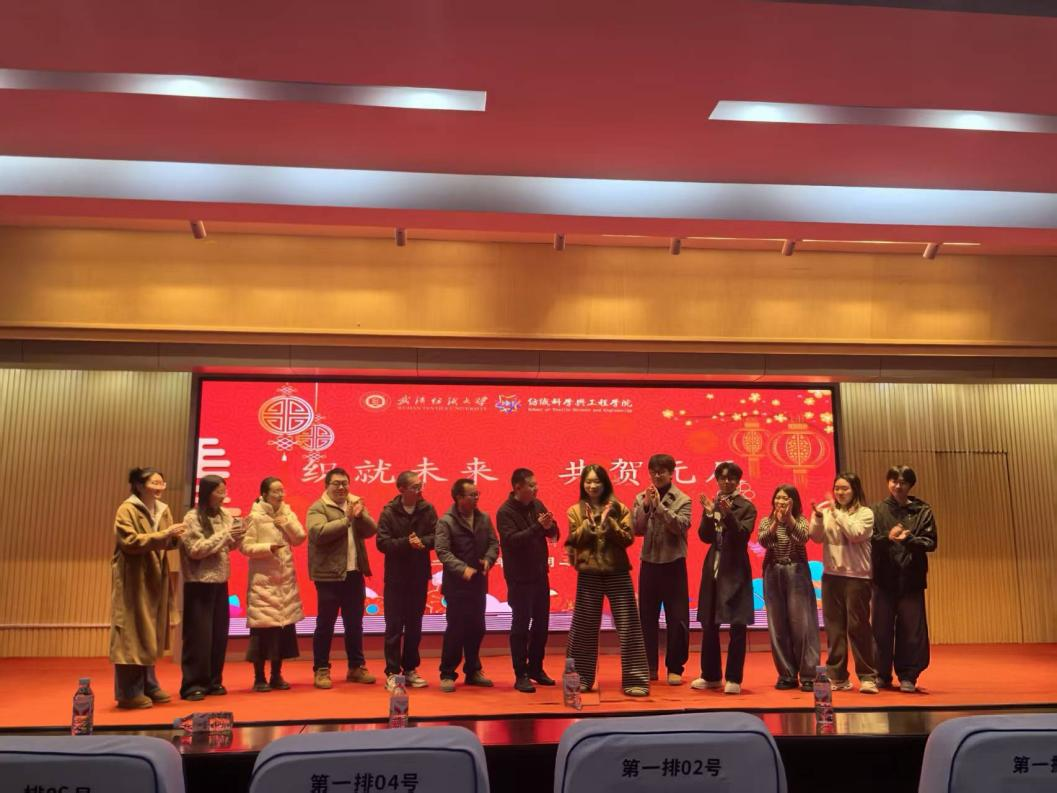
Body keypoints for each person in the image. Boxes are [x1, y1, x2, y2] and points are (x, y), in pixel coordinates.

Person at [565, 464, 650, 697]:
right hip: (589, 573)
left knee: (629, 626)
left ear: (605, 484)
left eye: (597, 481)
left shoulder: (619, 508)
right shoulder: (574, 510)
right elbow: (575, 540)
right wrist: (591, 523)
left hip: (617, 571)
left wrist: (609, 522)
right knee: (583, 629)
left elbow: (627, 539)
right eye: (588, 481)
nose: (592, 486)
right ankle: (580, 680)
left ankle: (636, 680)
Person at [109, 467, 186, 709]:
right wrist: (164, 534)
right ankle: (128, 692)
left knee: (150, 629)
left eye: (162, 483)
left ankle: (149, 684)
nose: (160, 487)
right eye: (155, 483)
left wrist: (178, 536)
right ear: (139, 485)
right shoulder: (127, 509)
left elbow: (167, 541)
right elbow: (129, 541)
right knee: (131, 631)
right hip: (133, 576)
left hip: (156, 574)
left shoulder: (163, 509)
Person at [307, 467, 378, 689]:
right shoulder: (318, 507)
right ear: (326, 486)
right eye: (336, 483)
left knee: (355, 624)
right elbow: (318, 534)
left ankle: (356, 667)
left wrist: (360, 514)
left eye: (345, 483)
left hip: (354, 574)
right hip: (328, 576)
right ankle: (321, 669)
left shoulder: (353, 505)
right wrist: (346, 519)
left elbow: (371, 530)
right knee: (325, 625)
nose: (341, 487)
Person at [809, 472, 879, 694]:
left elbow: (855, 533)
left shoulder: (865, 513)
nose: (840, 492)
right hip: (831, 576)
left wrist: (836, 513)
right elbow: (815, 537)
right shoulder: (826, 511)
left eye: (845, 488)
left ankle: (868, 677)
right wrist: (818, 518)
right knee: (834, 629)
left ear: (855, 490)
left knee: (858, 627)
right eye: (837, 488)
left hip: (857, 577)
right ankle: (837, 676)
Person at [178, 474, 246, 701]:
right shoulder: (192, 517)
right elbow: (196, 549)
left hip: (220, 582)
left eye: (224, 490)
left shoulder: (225, 515)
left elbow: (228, 546)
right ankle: (193, 684)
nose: (223, 495)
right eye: (219, 491)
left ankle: (214, 681)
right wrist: (226, 535)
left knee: (218, 636)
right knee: (199, 638)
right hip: (199, 583)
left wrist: (240, 533)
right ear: (207, 492)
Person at [871, 465, 938, 692]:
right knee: (880, 629)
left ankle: (908, 676)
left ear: (910, 485)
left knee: (911, 630)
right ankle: (881, 674)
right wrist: (888, 538)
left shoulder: (922, 510)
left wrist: (909, 540)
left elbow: (931, 542)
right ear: (888, 483)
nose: (898, 486)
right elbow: (869, 539)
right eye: (894, 481)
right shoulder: (877, 510)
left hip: (911, 578)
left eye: (903, 482)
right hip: (883, 577)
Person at [692, 461, 756, 695]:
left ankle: (734, 678)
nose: (727, 482)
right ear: (717, 480)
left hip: (736, 568)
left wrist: (727, 514)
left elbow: (741, 536)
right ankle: (711, 676)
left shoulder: (746, 506)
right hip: (714, 566)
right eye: (722, 478)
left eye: (731, 478)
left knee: (737, 625)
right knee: (709, 623)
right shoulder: (714, 503)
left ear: (738, 481)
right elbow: (705, 537)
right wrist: (709, 513)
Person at [632, 453, 692, 686]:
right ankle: (649, 666)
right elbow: (636, 529)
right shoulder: (641, 497)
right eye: (653, 472)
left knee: (677, 619)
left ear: (671, 473)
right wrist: (647, 506)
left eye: (662, 472)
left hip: (674, 564)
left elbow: (681, 526)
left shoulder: (683, 499)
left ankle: (675, 667)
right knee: (646, 618)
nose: (657, 476)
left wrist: (660, 508)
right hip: (649, 564)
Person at [496, 467, 559, 693]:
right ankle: (520, 673)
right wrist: (538, 527)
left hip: (540, 575)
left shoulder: (537, 505)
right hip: (519, 578)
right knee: (521, 626)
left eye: (536, 484)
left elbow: (553, 533)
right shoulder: (505, 512)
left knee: (542, 625)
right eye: (531, 485)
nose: (536, 488)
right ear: (517, 487)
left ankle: (536, 668)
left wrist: (550, 527)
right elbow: (513, 541)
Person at [435, 478, 500, 692]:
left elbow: (494, 543)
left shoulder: (484, 518)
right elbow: (442, 551)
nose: (476, 498)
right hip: (456, 585)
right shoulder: (446, 521)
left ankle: (473, 671)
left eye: (477, 494)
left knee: (477, 627)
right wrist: (462, 568)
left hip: (478, 583)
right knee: (456, 629)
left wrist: (489, 560)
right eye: (471, 495)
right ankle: (447, 673)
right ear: (458, 498)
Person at [242, 477, 306, 692]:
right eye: (276, 491)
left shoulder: (287, 513)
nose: (280, 495)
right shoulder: (255, 516)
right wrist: (268, 548)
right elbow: (245, 546)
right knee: (262, 632)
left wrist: (285, 523)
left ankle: (276, 675)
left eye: (282, 490)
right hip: (264, 583)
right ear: (264, 494)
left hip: (285, 582)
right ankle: (259, 678)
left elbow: (300, 538)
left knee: (282, 629)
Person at [376, 470, 437, 692]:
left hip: (419, 576)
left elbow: (437, 536)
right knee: (394, 626)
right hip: (396, 577)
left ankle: (410, 669)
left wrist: (423, 542)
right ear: (401, 489)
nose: (419, 490)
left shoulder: (427, 509)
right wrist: (406, 543)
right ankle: (393, 673)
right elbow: (382, 543)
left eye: (420, 486)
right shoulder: (389, 512)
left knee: (414, 626)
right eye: (414, 487)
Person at [758, 484, 821, 692]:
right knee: (778, 626)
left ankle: (809, 675)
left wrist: (789, 519)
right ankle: (786, 674)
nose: (781, 502)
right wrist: (777, 523)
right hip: (773, 571)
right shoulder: (767, 521)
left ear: (793, 502)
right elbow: (764, 541)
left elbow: (803, 538)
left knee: (803, 624)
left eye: (785, 499)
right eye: (778, 498)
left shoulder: (801, 520)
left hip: (797, 572)